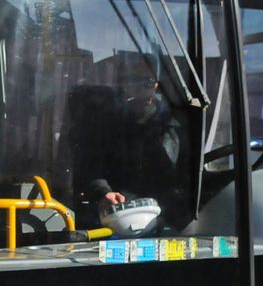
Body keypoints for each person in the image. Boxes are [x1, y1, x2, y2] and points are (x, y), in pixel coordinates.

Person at [78, 70, 192, 231]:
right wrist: (103, 193)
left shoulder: (175, 126)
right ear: (125, 85)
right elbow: (90, 167)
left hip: (166, 222)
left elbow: (185, 178)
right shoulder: (106, 124)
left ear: (156, 85)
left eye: (148, 82)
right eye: (135, 81)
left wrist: (170, 213)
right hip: (116, 219)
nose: (142, 89)